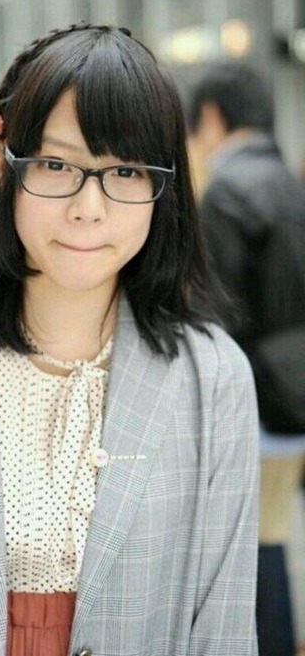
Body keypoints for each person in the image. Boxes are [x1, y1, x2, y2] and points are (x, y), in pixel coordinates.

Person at [0, 24, 260, 656]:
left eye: (125, 170)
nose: (89, 207)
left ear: (162, 186)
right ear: (2, 163)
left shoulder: (215, 376)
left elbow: (223, 633)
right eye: (58, 165)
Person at [187, 61, 305, 656]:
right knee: (272, 535)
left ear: (211, 117)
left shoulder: (225, 194)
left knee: (254, 550)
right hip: (295, 394)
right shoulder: (294, 185)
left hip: (255, 403)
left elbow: (216, 317)